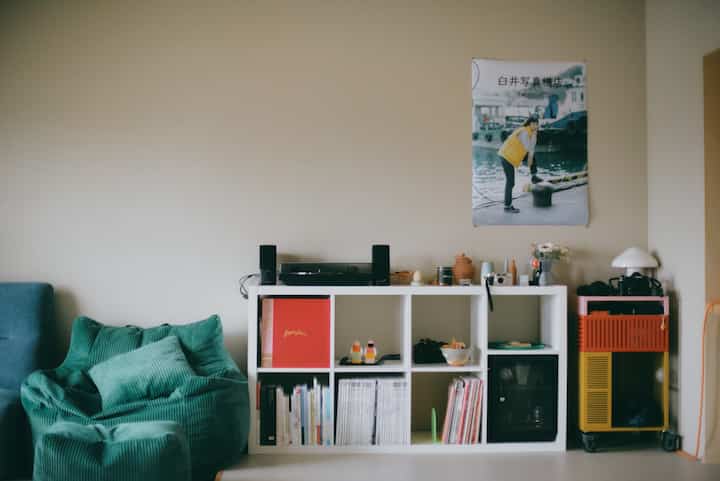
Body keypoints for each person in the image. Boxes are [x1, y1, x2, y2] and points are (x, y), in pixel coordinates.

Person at [497, 116, 542, 213]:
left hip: (512, 156)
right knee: (510, 182)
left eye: (536, 124)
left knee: (533, 156)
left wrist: (530, 162)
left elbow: (532, 150)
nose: (535, 126)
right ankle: (507, 206)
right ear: (529, 124)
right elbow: (527, 149)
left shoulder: (533, 133)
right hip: (506, 156)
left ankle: (534, 176)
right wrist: (528, 162)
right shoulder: (524, 132)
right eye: (533, 124)